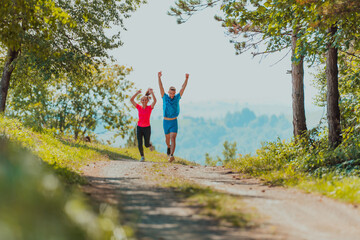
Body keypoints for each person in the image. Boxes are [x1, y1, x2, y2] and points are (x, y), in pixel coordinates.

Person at [158, 71, 189, 162]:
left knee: (173, 137)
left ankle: (171, 155)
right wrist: (159, 77)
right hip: (166, 122)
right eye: (171, 93)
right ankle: (168, 147)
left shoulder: (177, 98)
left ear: (175, 93)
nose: (172, 95)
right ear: (168, 92)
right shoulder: (165, 97)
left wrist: (186, 79)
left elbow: (183, 88)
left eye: (173, 94)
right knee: (167, 139)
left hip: (174, 122)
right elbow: (161, 87)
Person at [130, 88, 156, 162]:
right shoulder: (139, 107)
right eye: (142, 100)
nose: (144, 101)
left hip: (147, 128)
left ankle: (150, 145)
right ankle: (142, 156)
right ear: (141, 101)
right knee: (139, 143)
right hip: (139, 128)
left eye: (145, 100)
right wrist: (137, 93)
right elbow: (131, 100)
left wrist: (152, 93)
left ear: (147, 101)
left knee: (146, 144)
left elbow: (155, 101)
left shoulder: (149, 108)